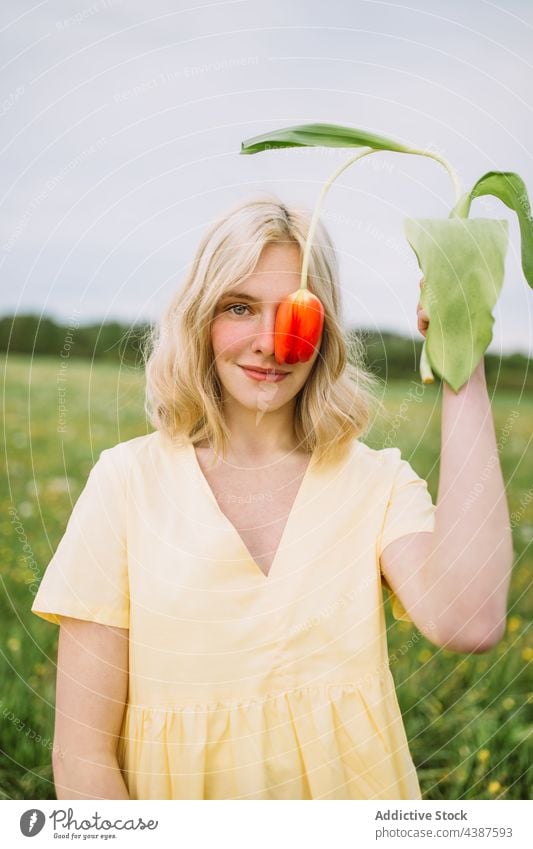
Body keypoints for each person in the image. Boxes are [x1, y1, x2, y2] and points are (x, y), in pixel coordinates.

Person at [31, 196, 513, 801]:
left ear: (328, 330)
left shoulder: (376, 483)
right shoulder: (125, 483)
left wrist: (460, 360)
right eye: (239, 307)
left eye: (296, 313)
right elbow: (82, 755)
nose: (271, 341)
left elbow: (469, 619)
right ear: (199, 321)